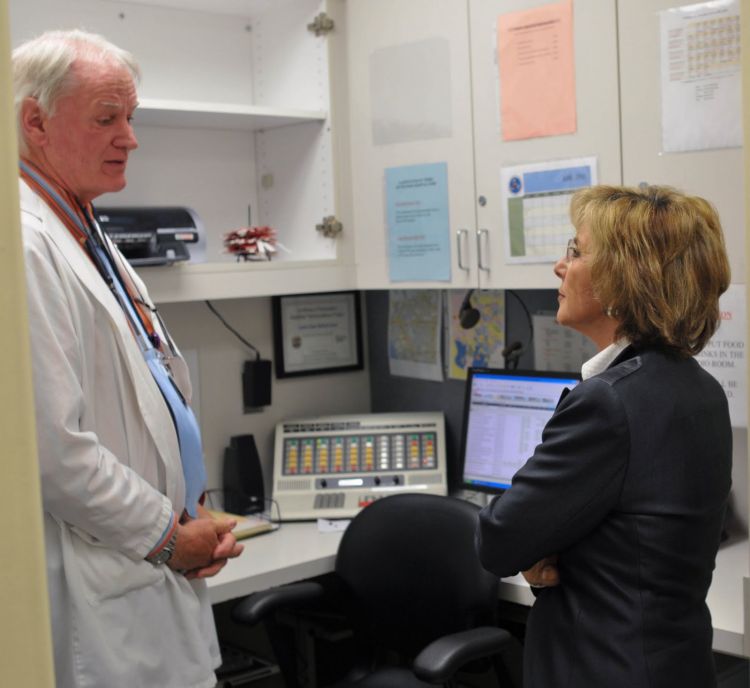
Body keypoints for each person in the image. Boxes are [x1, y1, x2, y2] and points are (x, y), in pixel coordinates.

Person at [14, 29, 244, 687]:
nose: (130, 138)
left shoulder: (80, 228)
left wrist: (188, 522)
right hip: (104, 586)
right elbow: (53, 452)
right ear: (35, 122)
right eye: (106, 118)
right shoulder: (25, 247)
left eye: (131, 117)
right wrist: (170, 538)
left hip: (153, 570)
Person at [476, 185, 732, 688]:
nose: (559, 266)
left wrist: (538, 548)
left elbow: (499, 539)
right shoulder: (699, 388)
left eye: (575, 251)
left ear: (624, 279)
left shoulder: (609, 402)